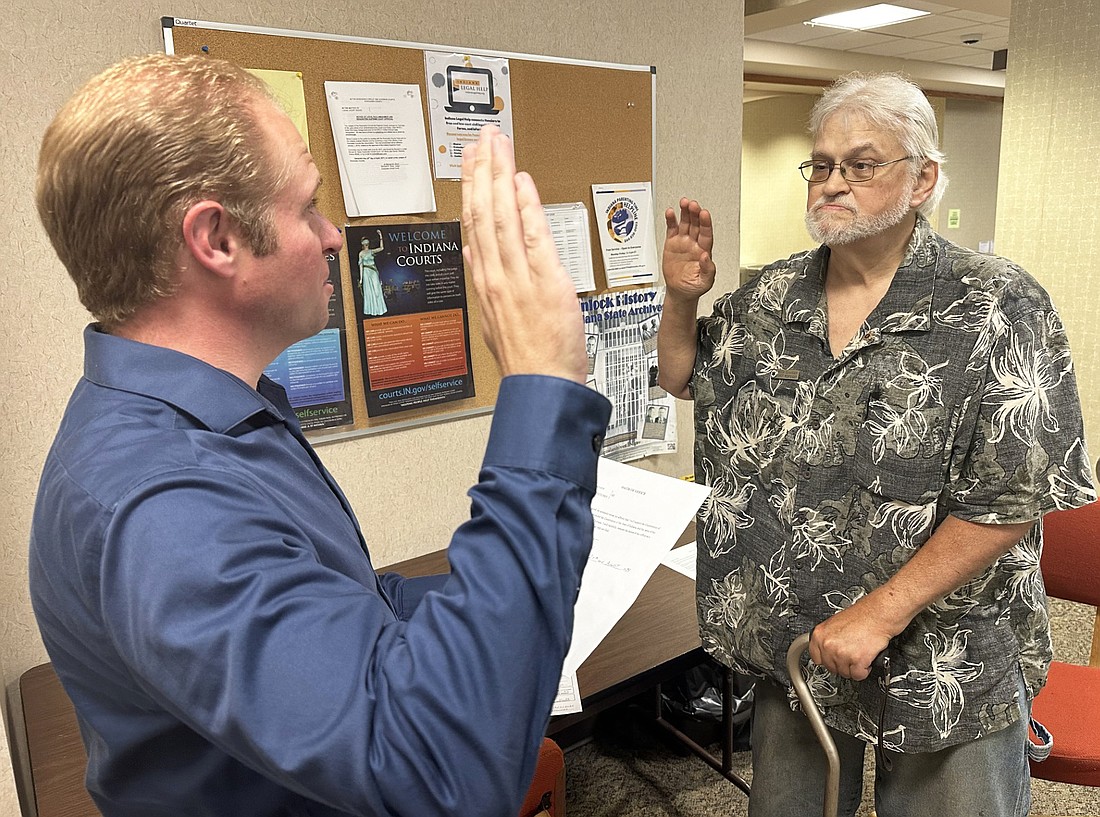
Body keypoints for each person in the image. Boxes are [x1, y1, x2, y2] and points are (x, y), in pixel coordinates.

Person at [30, 53, 610, 817]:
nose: (334, 237)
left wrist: (510, 598)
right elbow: (441, 774)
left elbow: (342, 602)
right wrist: (544, 384)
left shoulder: (223, 416)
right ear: (217, 238)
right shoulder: (161, 502)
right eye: (306, 207)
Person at [658, 72, 1095, 817]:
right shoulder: (773, 297)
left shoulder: (996, 305)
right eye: (821, 164)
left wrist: (880, 614)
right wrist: (682, 296)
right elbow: (682, 374)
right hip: (800, 639)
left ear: (922, 179)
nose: (831, 183)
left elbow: (1013, 496)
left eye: (860, 165)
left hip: (946, 654)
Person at [359, 230, 388, 316]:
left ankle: (379, 308)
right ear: (363, 244)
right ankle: (371, 310)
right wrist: (361, 278)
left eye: (367, 243)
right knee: (368, 290)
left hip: (373, 271)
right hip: (366, 272)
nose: (366, 244)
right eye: (364, 243)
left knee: (376, 289)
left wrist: (380, 236)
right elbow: (360, 266)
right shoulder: (361, 253)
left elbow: (381, 248)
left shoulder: (371, 251)